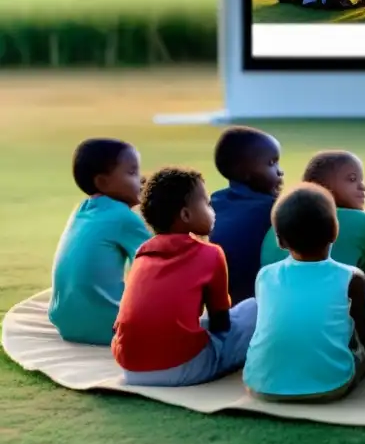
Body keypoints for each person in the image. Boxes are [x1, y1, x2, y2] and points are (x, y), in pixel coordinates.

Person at [245, 184, 365, 403]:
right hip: (331, 386)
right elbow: (363, 337)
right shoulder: (351, 278)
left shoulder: (265, 276)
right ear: (335, 230)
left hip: (261, 386)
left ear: (280, 240)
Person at [112, 168, 258, 387]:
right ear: (186, 215)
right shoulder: (210, 253)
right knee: (253, 309)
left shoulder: (142, 253)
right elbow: (221, 324)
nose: (212, 210)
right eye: (207, 204)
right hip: (184, 368)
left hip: (130, 368)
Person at [49, 138, 150, 345]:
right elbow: (156, 263)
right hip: (107, 326)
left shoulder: (81, 210)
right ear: (103, 182)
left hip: (65, 324)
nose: (141, 180)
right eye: (132, 173)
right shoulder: (123, 217)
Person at [261, 150, 365, 281]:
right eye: (352, 179)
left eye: (361, 180)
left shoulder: (279, 221)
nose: (363, 187)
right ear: (324, 186)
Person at [209, 127, 284, 303]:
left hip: (224, 301)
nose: (280, 171)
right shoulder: (273, 210)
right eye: (271, 163)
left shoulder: (215, 201)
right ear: (244, 170)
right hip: (258, 299)